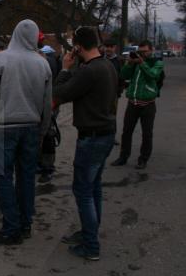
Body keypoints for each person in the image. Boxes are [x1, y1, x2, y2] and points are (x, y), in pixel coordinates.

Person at [0, 19, 52, 245]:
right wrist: (42, 131)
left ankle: (10, 228)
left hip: (5, 127)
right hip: (31, 128)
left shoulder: (2, 58)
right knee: (27, 176)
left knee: (4, 177)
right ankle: (25, 223)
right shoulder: (43, 64)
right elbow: (47, 104)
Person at [53, 26, 118, 261]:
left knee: (83, 191)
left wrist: (65, 69)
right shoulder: (107, 65)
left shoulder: (89, 71)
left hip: (92, 137)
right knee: (94, 187)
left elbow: (59, 92)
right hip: (106, 133)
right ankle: (89, 232)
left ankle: (91, 245)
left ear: (78, 47)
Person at [111, 40, 164, 170]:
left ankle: (143, 159)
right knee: (126, 132)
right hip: (132, 103)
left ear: (151, 50)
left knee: (147, 134)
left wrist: (142, 63)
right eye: (140, 52)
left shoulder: (157, 62)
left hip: (148, 105)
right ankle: (123, 157)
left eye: (145, 51)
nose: (142, 54)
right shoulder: (135, 63)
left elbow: (153, 75)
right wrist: (129, 63)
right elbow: (123, 75)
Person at [37, 45, 61, 182]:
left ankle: (47, 168)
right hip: (38, 108)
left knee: (47, 137)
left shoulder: (47, 64)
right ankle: (42, 165)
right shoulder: (43, 61)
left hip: (48, 106)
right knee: (42, 137)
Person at [103, 39, 126, 145]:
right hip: (99, 94)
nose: (108, 49)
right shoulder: (99, 59)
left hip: (113, 94)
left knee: (112, 116)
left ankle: (111, 137)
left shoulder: (119, 61)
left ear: (114, 48)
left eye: (111, 47)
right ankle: (101, 136)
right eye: (106, 46)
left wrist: (118, 92)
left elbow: (122, 78)